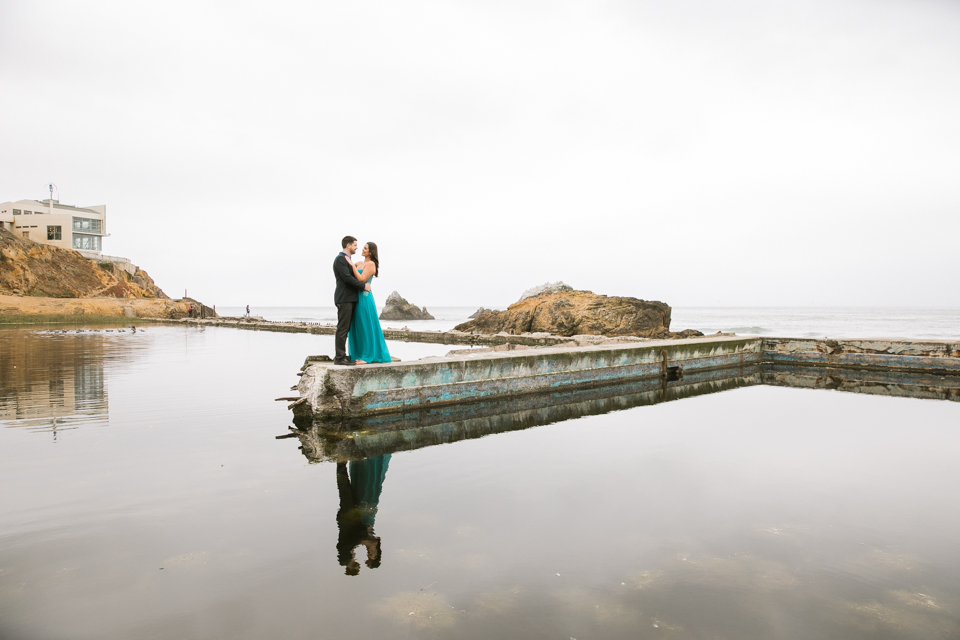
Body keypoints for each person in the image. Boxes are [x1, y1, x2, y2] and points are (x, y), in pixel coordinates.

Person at [345, 242, 392, 364]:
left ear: (370, 252)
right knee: (357, 326)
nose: (362, 249)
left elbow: (361, 279)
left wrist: (352, 265)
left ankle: (367, 356)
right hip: (355, 297)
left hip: (365, 299)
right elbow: (348, 272)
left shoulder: (371, 264)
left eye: (365, 248)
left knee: (366, 326)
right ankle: (358, 353)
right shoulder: (360, 263)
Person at [333, 236, 371, 366]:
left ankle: (343, 356)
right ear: (348, 245)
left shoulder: (348, 260)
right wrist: (363, 286)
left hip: (350, 298)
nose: (357, 247)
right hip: (344, 298)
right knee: (343, 328)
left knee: (346, 328)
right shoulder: (340, 259)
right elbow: (347, 278)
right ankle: (339, 357)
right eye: (355, 245)